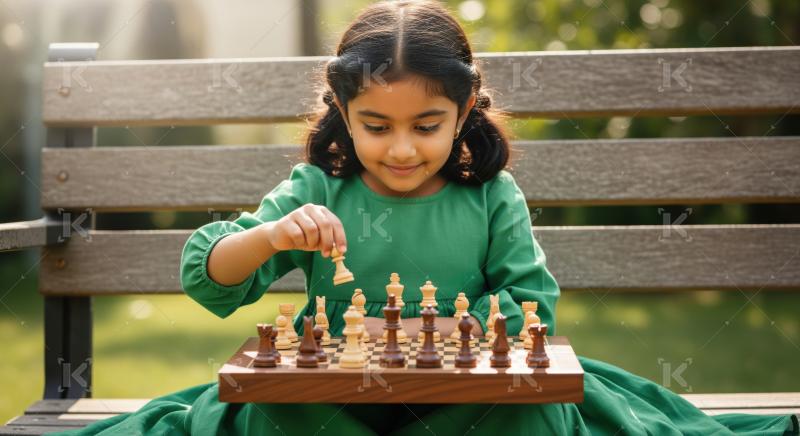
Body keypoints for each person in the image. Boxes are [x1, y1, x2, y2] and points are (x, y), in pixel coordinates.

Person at [55, 1, 797, 434]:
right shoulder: (317, 186)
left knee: (536, 418)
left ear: (465, 110)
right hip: (337, 396)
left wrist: (440, 343)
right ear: (342, 113)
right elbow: (209, 279)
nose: (401, 149)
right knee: (269, 417)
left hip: (463, 394)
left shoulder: (488, 196)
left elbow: (531, 305)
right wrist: (272, 236)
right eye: (375, 125)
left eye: (427, 124)